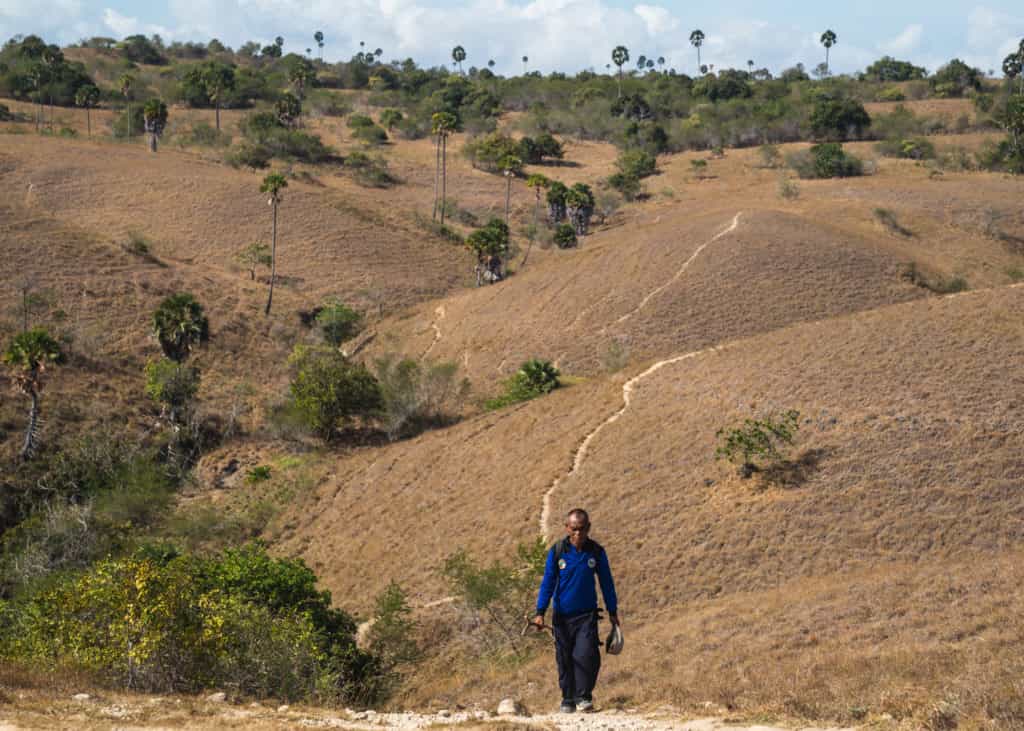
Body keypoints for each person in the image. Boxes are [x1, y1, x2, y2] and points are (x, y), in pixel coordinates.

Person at [532, 508, 620, 713]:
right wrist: (540, 612)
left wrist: (613, 611)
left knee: (586, 655)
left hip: (586, 616)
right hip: (562, 616)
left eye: (582, 529)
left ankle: (584, 696)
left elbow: (607, 583)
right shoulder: (557, 551)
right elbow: (548, 582)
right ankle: (567, 698)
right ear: (567, 528)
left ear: (588, 528)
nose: (578, 534)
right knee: (564, 658)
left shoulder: (596, 552)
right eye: (574, 529)